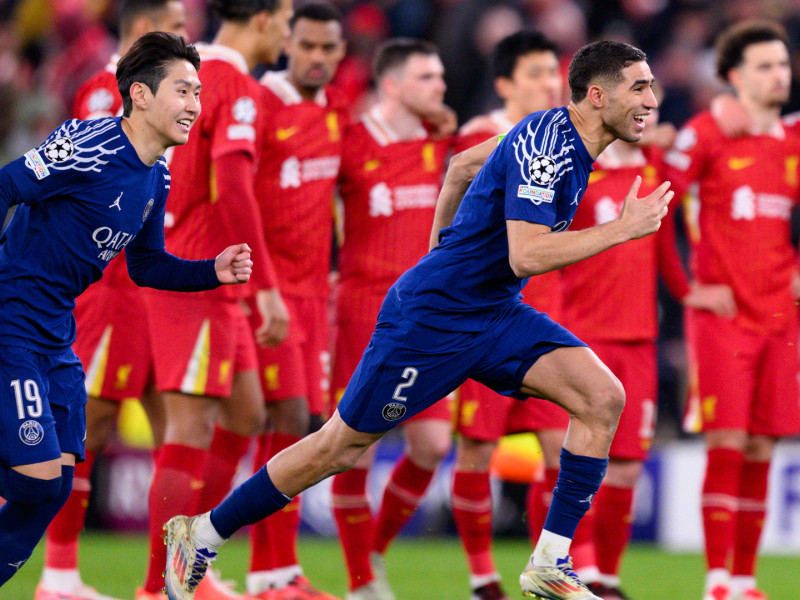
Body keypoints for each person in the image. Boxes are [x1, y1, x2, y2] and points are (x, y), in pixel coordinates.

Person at [164, 39, 673, 600]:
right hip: (432, 322)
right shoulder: (549, 150)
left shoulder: (554, 131)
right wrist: (623, 229)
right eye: (640, 86)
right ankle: (202, 532)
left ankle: (551, 559)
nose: (652, 98)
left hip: (493, 312)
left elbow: (460, 166)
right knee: (339, 445)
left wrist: (438, 250)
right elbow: (526, 254)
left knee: (602, 398)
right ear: (598, 96)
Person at [0, 31, 255, 589]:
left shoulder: (156, 175)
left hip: (54, 334)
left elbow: (146, 267)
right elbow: (7, 185)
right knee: (38, 480)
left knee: (59, 483)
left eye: (199, 93)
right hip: (11, 320)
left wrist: (212, 269)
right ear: (139, 94)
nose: (195, 106)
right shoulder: (87, 144)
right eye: (184, 91)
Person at [139, 1, 292, 599]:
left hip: (211, 272)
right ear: (262, 20)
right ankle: (159, 587)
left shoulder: (206, 82)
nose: (284, 29)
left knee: (247, 413)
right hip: (198, 269)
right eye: (284, 18)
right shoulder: (232, 86)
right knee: (190, 425)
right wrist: (266, 288)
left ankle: (192, 561)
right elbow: (231, 187)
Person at [36, 3, 188, 599]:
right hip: (111, 288)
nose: (185, 26)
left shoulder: (175, 91)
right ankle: (59, 574)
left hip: (155, 286)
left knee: (177, 430)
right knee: (89, 425)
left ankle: (167, 581)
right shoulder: (107, 91)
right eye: (175, 16)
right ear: (146, 19)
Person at [558, 106, 735, 600]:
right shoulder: (574, 165)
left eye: (650, 94)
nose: (645, 104)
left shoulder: (652, 162)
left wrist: (686, 292)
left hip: (638, 335)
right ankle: (575, 568)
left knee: (629, 466)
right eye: (636, 92)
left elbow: (662, 243)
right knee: (567, 456)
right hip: (581, 332)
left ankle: (606, 579)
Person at [663, 20, 800, 600]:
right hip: (722, 314)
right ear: (735, 77)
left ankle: (744, 580)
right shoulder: (705, 133)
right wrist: (686, 288)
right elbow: (658, 203)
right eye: (766, 66)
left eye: (784, 64)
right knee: (727, 442)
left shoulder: (793, 139)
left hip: (782, 317)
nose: (780, 75)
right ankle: (717, 580)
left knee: (764, 447)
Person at [328, 38, 454, 600]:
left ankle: (371, 553)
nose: (441, 86)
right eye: (429, 77)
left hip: (428, 314)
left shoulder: (442, 143)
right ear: (394, 85)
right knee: (357, 446)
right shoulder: (350, 145)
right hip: (364, 309)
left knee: (430, 444)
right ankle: (361, 583)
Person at [448, 31, 571, 600]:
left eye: (554, 72)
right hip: (483, 312)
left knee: (557, 446)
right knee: (477, 446)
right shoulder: (479, 139)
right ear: (504, 84)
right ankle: (480, 577)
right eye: (536, 73)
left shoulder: (565, 144)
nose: (550, 82)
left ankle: (548, 565)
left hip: (543, 310)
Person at [244, 3, 346, 598]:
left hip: (313, 295)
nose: (316, 57)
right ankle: (266, 571)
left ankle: (278, 569)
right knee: (278, 419)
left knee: (298, 424)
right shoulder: (262, 103)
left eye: (327, 48)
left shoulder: (334, 112)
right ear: (288, 44)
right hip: (268, 290)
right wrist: (260, 288)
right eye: (306, 45)